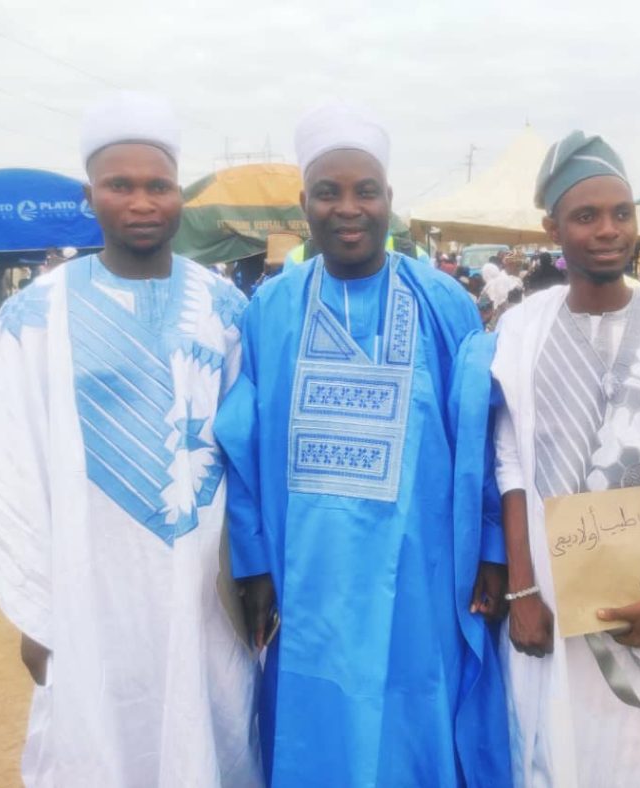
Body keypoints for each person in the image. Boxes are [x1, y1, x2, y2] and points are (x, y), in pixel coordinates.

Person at [0, 92, 261, 787]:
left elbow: (250, 450)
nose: (141, 202)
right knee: (96, 733)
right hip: (85, 585)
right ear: (90, 197)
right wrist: (35, 608)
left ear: (178, 196)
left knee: (209, 725)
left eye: (159, 186)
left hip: (203, 587)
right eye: (120, 185)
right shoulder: (37, 314)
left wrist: (255, 569)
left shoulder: (224, 307)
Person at [214, 102, 510, 787]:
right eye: (329, 192)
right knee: (316, 727)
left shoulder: (444, 303)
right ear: (304, 205)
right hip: (306, 577)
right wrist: (253, 565)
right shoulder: (270, 310)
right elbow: (241, 443)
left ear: (389, 201)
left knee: (416, 719)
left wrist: (493, 547)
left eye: (366, 191)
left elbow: (483, 434)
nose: (348, 209)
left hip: (423, 578)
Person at [491, 131, 640, 787]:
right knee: (556, 750)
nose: (608, 231)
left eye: (621, 214)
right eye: (586, 216)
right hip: (552, 590)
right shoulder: (521, 328)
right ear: (553, 228)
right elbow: (511, 464)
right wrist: (523, 592)